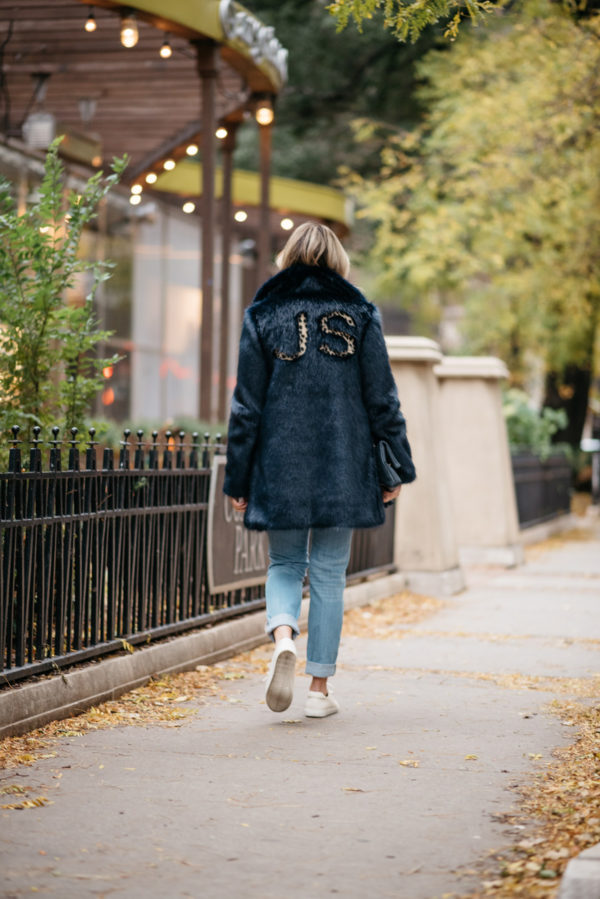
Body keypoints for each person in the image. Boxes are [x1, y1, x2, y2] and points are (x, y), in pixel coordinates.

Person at [223, 222, 415, 718]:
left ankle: (283, 635)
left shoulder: (263, 315)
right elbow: (382, 400)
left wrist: (239, 478)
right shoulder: (360, 314)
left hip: (279, 465)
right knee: (329, 576)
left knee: (285, 565)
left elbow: (246, 407)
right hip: (342, 465)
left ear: (287, 257)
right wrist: (398, 466)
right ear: (338, 261)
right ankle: (318, 691)